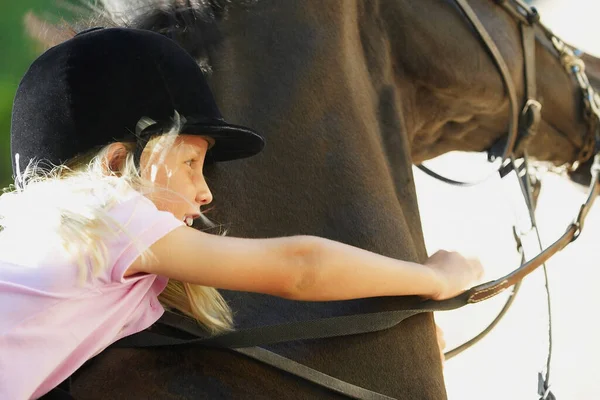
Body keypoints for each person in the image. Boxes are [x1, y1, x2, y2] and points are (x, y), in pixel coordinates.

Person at [0, 27, 483, 399]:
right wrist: (434, 278)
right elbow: (300, 270)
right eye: (190, 162)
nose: (206, 192)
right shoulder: (113, 216)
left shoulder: (50, 246)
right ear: (116, 165)